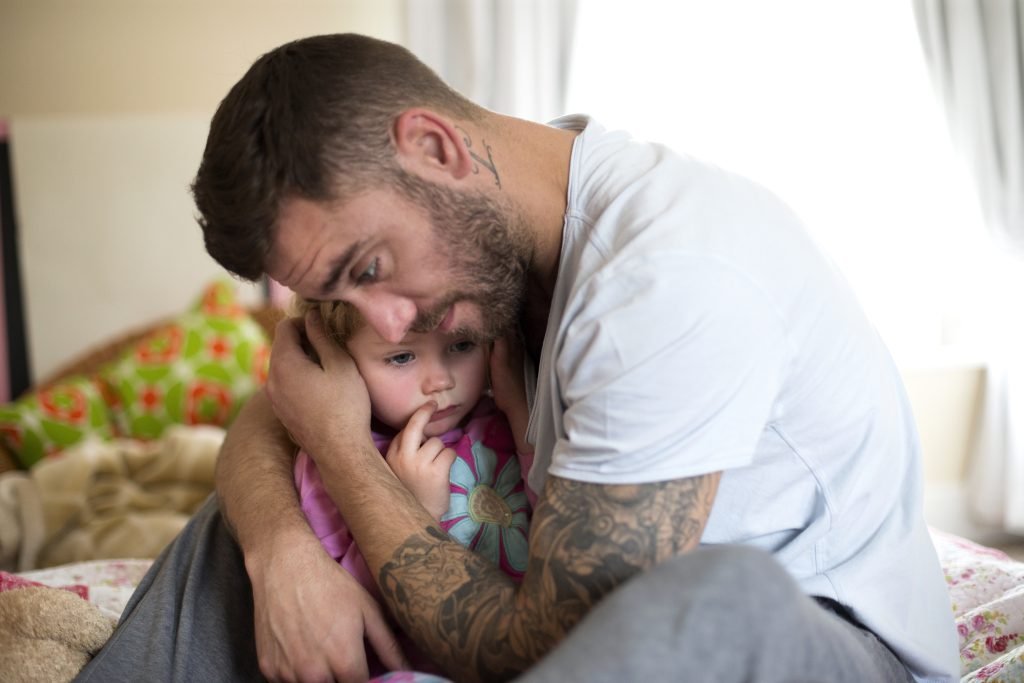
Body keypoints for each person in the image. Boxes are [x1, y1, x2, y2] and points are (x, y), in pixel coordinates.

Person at [76, 32, 959, 683]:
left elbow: (554, 647)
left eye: (372, 269)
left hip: (819, 644)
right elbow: (288, 404)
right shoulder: (485, 231)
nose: (384, 324)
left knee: (720, 593)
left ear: (436, 147)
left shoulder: (667, 274)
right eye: (345, 303)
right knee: (264, 508)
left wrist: (347, 457)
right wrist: (281, 553)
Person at [291, 297, 535, 676]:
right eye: (402, 357)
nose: (441, 380)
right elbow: (343, 614)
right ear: (341, 367)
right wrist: (412, 512)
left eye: (462, 345)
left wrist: (520, 413)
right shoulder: (334, 464)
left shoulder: (502, 422)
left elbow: (556, 517)